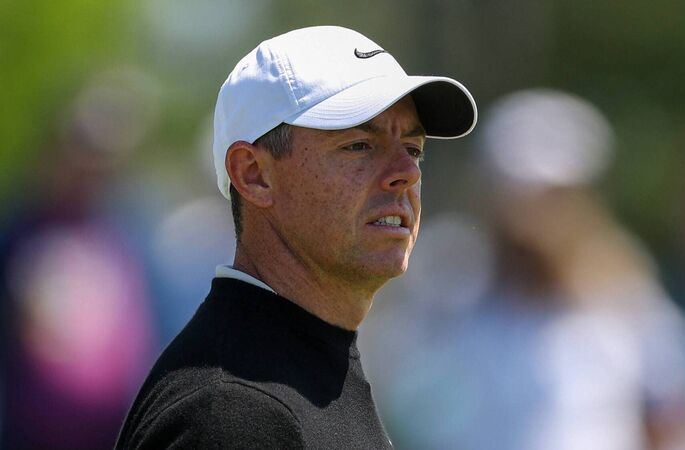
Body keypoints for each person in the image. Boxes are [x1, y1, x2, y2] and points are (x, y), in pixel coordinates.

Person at [114, 25, 476, 449]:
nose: (407, 173)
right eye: (359, 145)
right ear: (254, 174)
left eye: (413, 149)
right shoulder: (236, 412)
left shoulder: (291, 374)